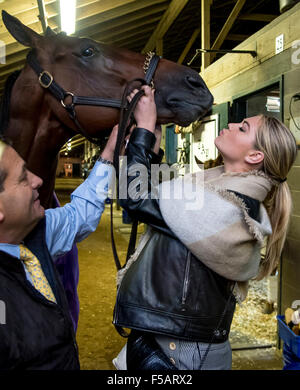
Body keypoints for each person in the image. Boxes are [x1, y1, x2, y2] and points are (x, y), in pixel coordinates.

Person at [112, 85, 298, 370]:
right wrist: (151, 150)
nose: (233, 124)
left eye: (243, 128)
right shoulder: (217, 193)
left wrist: (145, 130)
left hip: (182, 354)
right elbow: (162, 202)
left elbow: (134, 197)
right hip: (171, 342)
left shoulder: (227, 208)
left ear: (254, 157)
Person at [0, 134, 116, 369]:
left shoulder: (34, 233)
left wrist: (109, 154)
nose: (38, 180)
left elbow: (79, 214)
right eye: (23, 178)